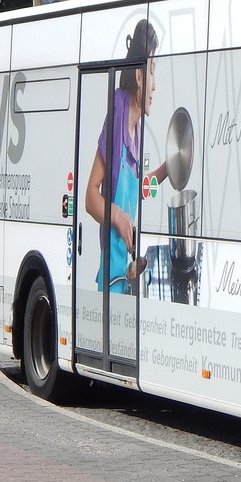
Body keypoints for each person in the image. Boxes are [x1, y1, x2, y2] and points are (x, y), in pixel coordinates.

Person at [85, 19, 168, 292]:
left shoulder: (136, 129)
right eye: (153, 72)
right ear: (140, 76)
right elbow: (90, 197)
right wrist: (118, 217)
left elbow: (134, 189)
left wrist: (169, 167)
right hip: (112, 281)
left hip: (125, 275)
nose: (155, 86)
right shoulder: (119, 111)